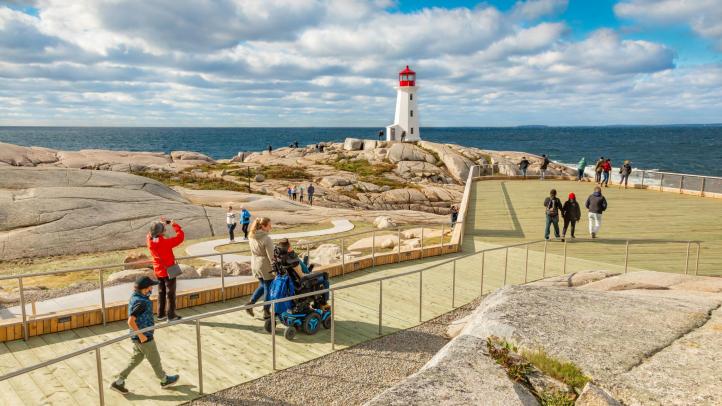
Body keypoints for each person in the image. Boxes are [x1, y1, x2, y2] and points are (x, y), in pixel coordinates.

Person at [110, 276, 179, 394]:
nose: (152, 288)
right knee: (155, 359)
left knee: (135, 359)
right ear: (144, 289)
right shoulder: (141, 302)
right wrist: (142, 336)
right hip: (143, 337)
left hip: (137, 336)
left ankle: (119, 382)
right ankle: (164, 380)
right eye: (150, 286)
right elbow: (130, 321)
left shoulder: (136, 297)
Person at [147, 218, 184, 321]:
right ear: (161, 232)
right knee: (171, 294)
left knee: (161, 292)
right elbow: (180, 237)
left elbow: (151, 233)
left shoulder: (149, 240)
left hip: (158, 270)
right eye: (164, 230)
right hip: (169, 270)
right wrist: (174, 225)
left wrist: (159, 225)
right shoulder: (165, 243)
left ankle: (160, 314)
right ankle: (171, 315)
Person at [247, 217, 275, 319]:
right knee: (268, 287)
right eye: (269, 225)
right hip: (265, 266)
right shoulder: (266, 238)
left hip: (255, 264)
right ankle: (266, 311)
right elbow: (271, 256)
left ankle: (250, 304)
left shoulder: (251, 236)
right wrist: (275, 269)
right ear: (263, 226)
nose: (271, 227)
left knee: (263, 285)